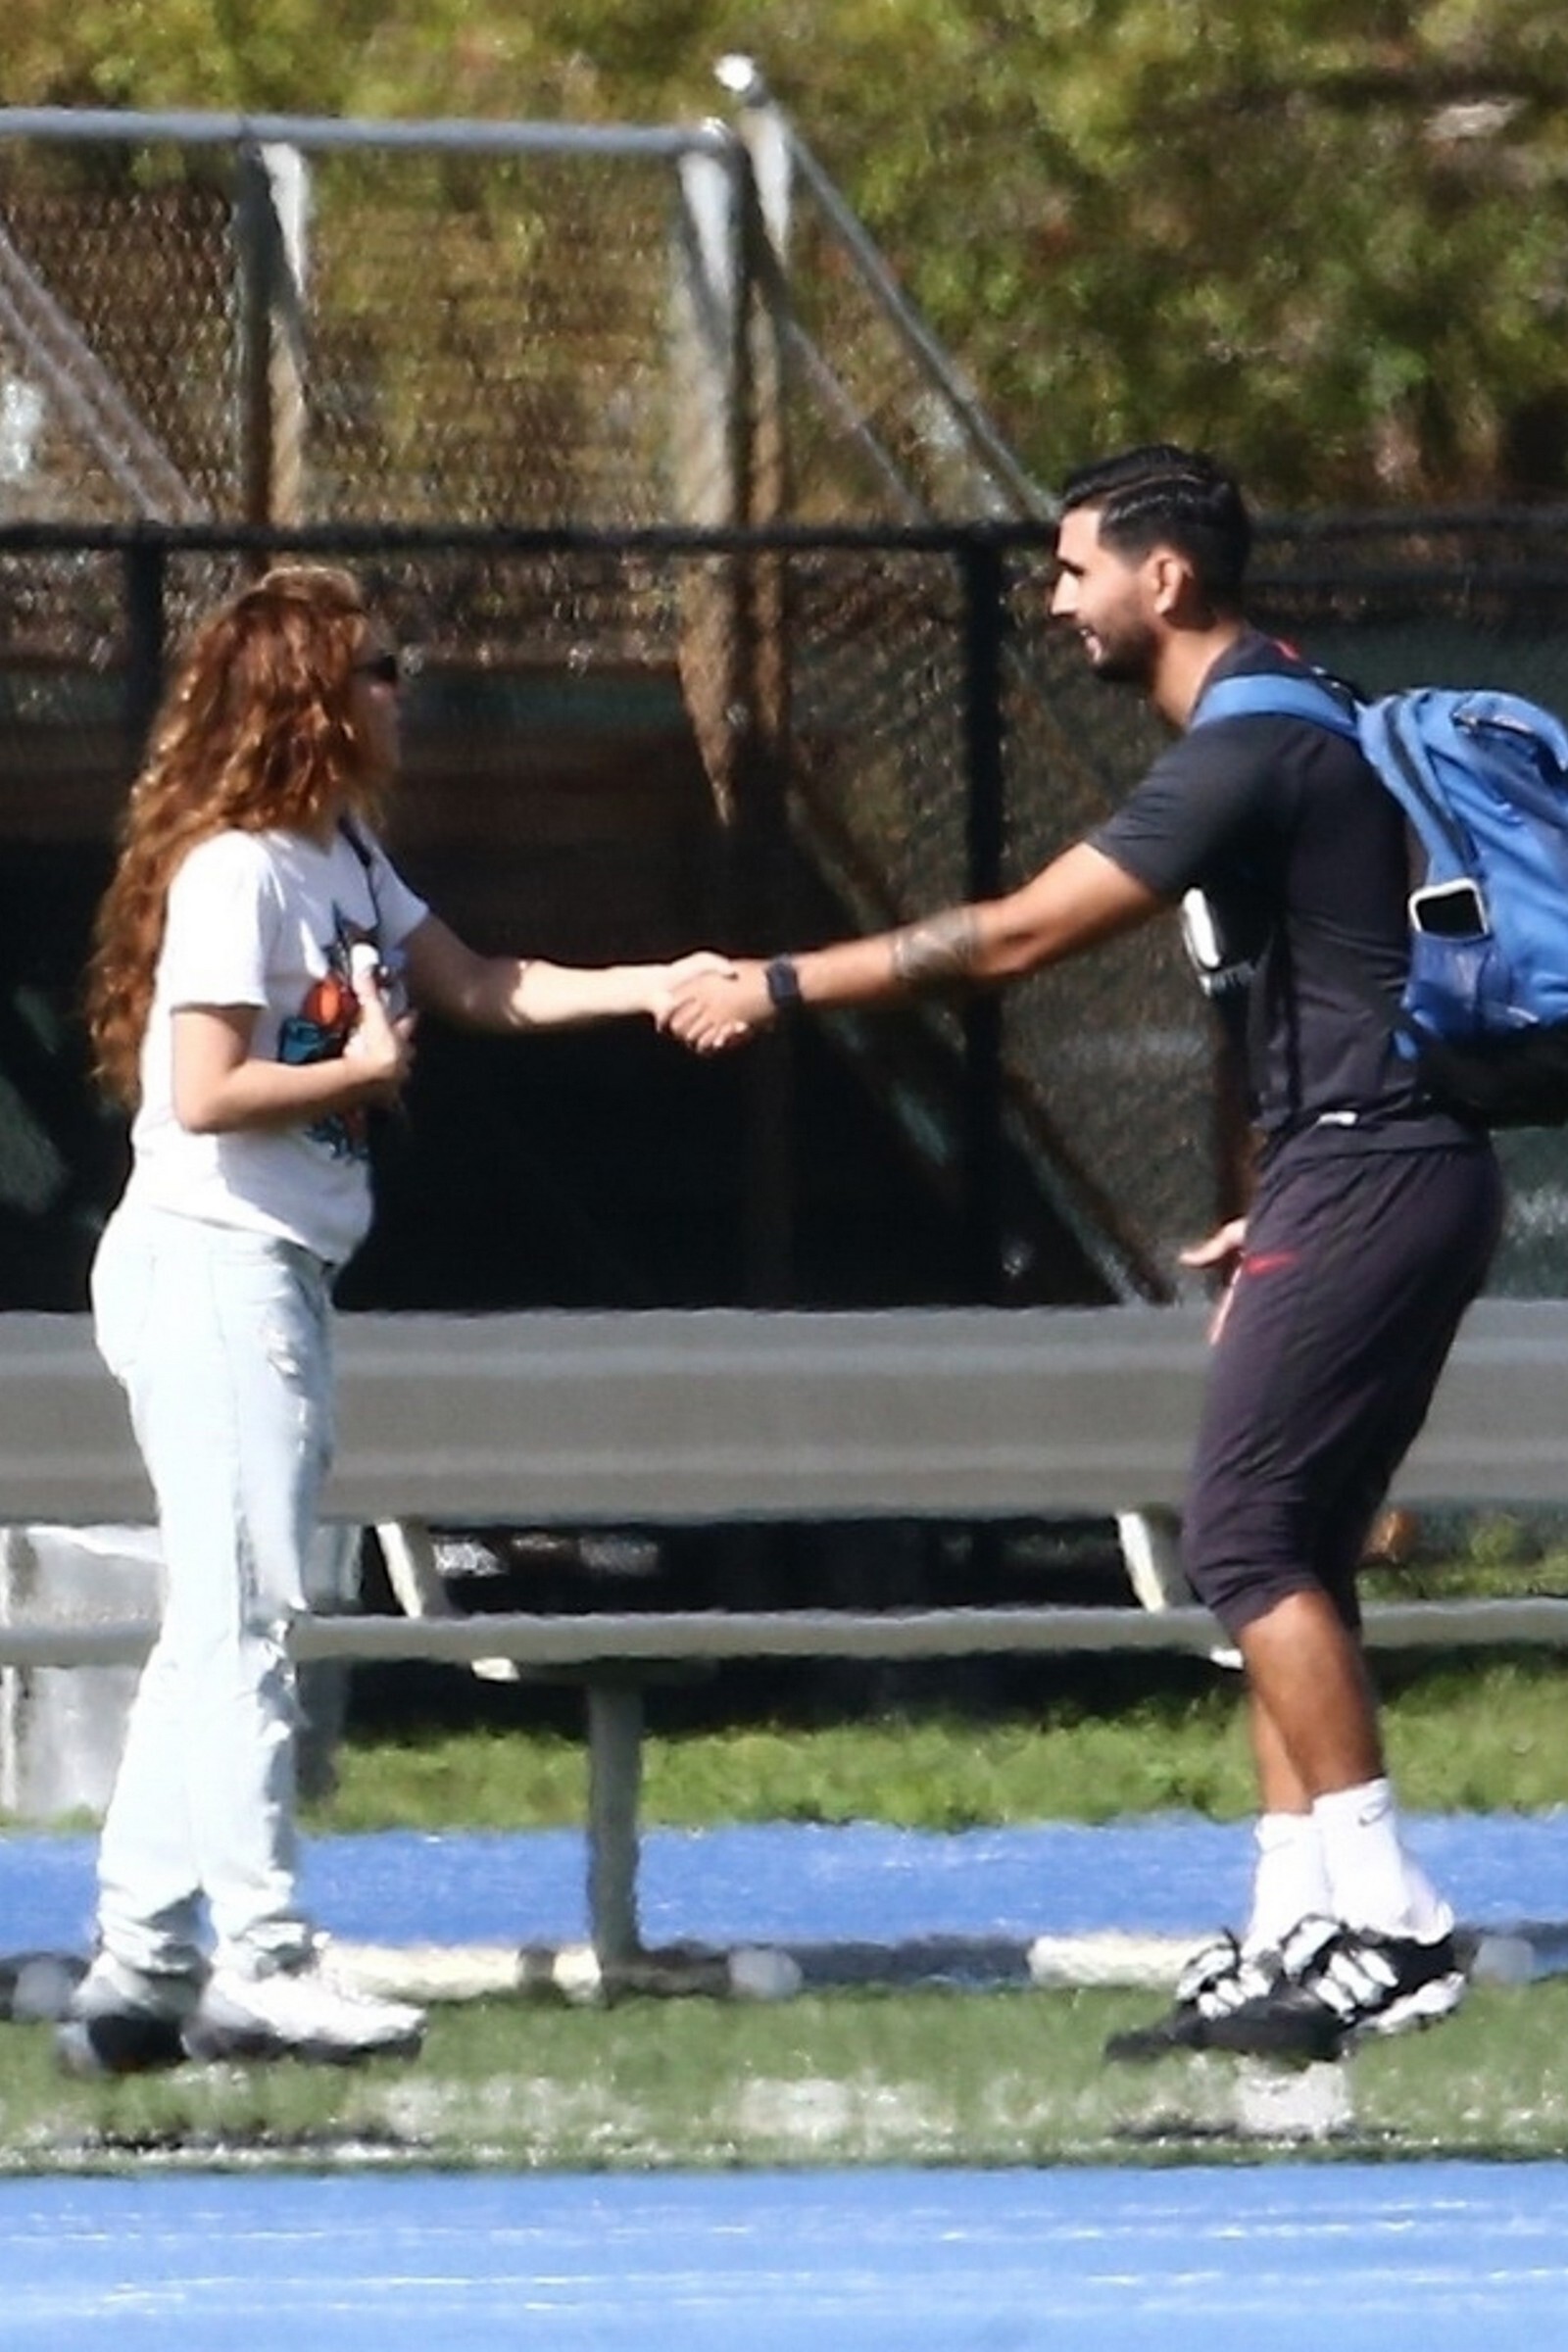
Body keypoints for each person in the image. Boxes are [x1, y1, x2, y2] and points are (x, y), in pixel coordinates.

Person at [664, 445, 1503, 2064]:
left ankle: (1393, 1919)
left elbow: (1020, 933)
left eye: (1073, 571)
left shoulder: (1251, 740)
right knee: (1289, 1546)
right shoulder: (1289, 714)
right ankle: (1295, 1929)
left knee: (1241, 1539)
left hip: (1375, 1171)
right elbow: (1329, 988)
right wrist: (1287, 1189)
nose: (1055, 603)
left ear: (1162, 577)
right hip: (1362, 1170)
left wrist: (775, 984)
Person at [67, 562, 724, 2077]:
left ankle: (138, 1972)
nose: (399, 693)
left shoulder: (342, 852)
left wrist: (653, 984)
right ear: (309, 698)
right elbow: (204, 1092)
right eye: (376, 670)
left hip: (273, 1272)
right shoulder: (238, 871)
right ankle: (262, 1961)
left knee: (216, 1622)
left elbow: (482, 983)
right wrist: (362, 1075)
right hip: (211, 1263)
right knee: (250, 1623)